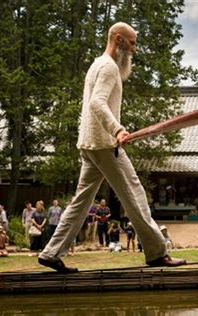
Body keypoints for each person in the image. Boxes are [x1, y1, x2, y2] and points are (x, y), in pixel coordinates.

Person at [38, 22, 185, 273]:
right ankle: (157, 253)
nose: (134, 49)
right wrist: (116, 129)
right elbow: (97, 102)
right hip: (104, 144)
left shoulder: (97, 64)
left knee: (81, 202)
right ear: (118, 39)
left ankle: (51, 252)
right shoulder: (107, 67)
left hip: (90, 144)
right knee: (135, 195)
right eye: (132, 43)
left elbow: (92, 104)